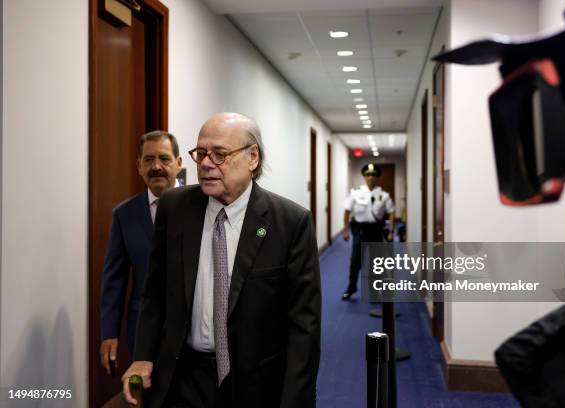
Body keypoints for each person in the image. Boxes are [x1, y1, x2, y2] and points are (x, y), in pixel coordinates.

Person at [122, 112, 321, 408]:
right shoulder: (174, 208)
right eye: (201, 153)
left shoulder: (291, 223)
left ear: (252, 157)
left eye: (219, 154)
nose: (204, 163)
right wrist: (142, 356)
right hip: (183, 377)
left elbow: (304, 328)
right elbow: (155, 292)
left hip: (254, 384)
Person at [99, 130, 183, 375]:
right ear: (138, 166)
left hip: (194, 327)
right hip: (144, 329)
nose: (156, 166)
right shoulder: (124, 215)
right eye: (148, 160)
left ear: (178, 164)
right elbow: (114, 279)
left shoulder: (203, 206)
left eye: (164, 158)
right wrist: (109, 332)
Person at [342, 163, 395, 300]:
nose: (370, 177)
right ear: (364, 177)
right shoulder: (356, 193)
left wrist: (391, 231)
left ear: (377, 177)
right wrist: (346, 231)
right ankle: (351, 288)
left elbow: (391, 213)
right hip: (360, 230)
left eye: (373, 175)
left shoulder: (383, 195)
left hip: (376, 230)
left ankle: (375, 291)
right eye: (368, 175)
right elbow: (347, 212)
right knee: (355, 261)